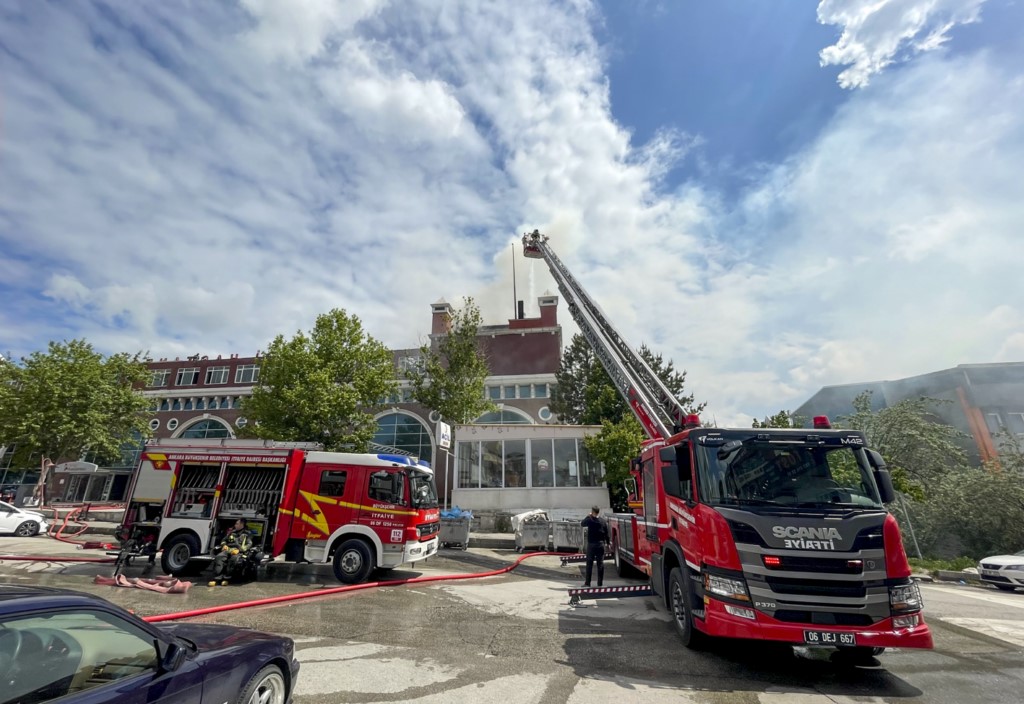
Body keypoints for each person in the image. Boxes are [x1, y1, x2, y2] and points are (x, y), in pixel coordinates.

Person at [208, 518, 253, 587]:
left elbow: (249, 544)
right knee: (219, 557)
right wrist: (224, 545)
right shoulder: (232, 532)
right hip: (228, 549)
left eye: (237, 524)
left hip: (237, 551)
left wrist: (240, 550)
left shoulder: (247, 534)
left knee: (233, 559)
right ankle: (217, 579)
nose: (235, 525)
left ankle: (227, 578)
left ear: (242, 524)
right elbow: (223, 540)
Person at [580, 506, 608, 587]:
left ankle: (587, 583)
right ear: (598, 512)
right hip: (600, 544)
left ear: (592, 512)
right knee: (600, 564)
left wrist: (588, 516)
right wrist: (608, 543)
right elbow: (606, 533)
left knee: (589, 564)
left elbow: (582, 524)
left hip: (591, 544)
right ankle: (600, 584)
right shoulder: (603, 521)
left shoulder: (590, 520)